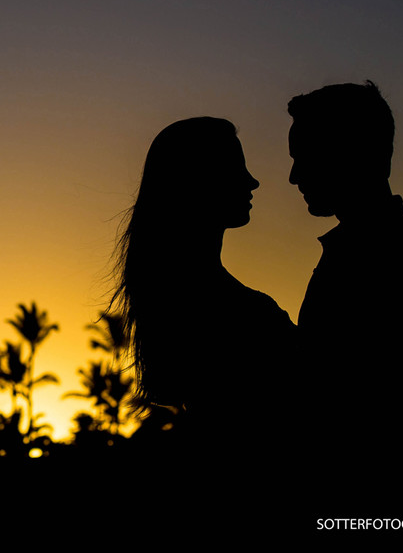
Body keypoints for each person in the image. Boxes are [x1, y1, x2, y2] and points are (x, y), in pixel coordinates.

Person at [288, 82, 403, 496]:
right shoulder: (373, 249)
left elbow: (350, 399)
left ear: (349, 154)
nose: (293, 176)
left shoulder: (395, 256)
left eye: (305, 158)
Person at [109, 117, 298, 463]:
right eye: (236, 168)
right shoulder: (225, 309)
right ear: (199, 181)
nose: (252, 181)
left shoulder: (183, 297)